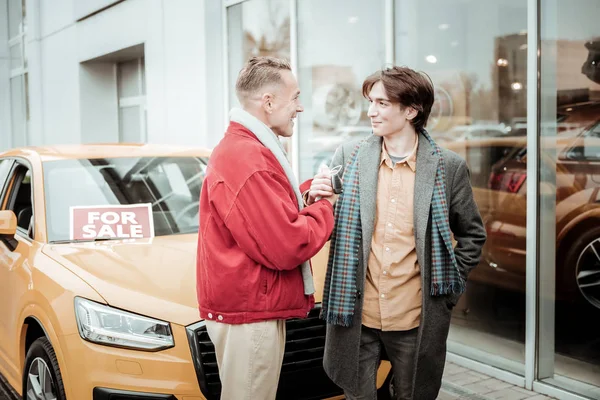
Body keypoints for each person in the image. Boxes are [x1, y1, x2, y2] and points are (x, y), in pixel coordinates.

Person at [306, 66, 487, 399]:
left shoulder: (447, 167)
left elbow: (473, 236)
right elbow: (327, 226)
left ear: (411, 110)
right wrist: (320, 202)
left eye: (382, 103)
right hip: (356, 315)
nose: (371, 111)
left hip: (415, 318)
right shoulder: (350, 157)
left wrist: (448, 291)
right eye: (370, 102)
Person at [196, 56, 337, 400]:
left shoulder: (243, 149)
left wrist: (305, 193)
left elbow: (265, 211)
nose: (300, 108)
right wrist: (325, 207)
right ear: (269, 102)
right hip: (250, 315)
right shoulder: (249, 157)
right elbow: (287, 244)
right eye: (295, 98)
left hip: (249, 307)